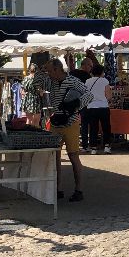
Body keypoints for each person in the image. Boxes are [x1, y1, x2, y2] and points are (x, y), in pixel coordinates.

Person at [46, 58, 91, 203]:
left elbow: (89, 95)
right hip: (56, 122)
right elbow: (36, 83)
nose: (48, 73)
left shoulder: (72, 81)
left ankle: (79, 190)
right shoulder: (51, 82)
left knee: (73, 156)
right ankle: (57, 189)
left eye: (49, 70)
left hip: (70, 123)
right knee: (55, 157)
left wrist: (75, 105)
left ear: (57, 69)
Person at [84, 62, 112, 155]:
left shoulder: (88, 81)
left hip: (91, 107)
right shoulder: (105, 81)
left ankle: (93, 148)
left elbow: (86, 95)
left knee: (93, 128)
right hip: (103, 106)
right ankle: (107, 147)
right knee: (106, 127)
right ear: (101, 72)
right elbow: (108, 96)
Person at [21, 64, 45, 128]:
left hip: (27, 100)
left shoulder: (26, 78)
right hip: (36, 100)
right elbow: (40, 92)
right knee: (36, 122)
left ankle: (28, 134)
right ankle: (35, 136)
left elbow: (22, 92)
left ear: (29, 70)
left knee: (28, 121)